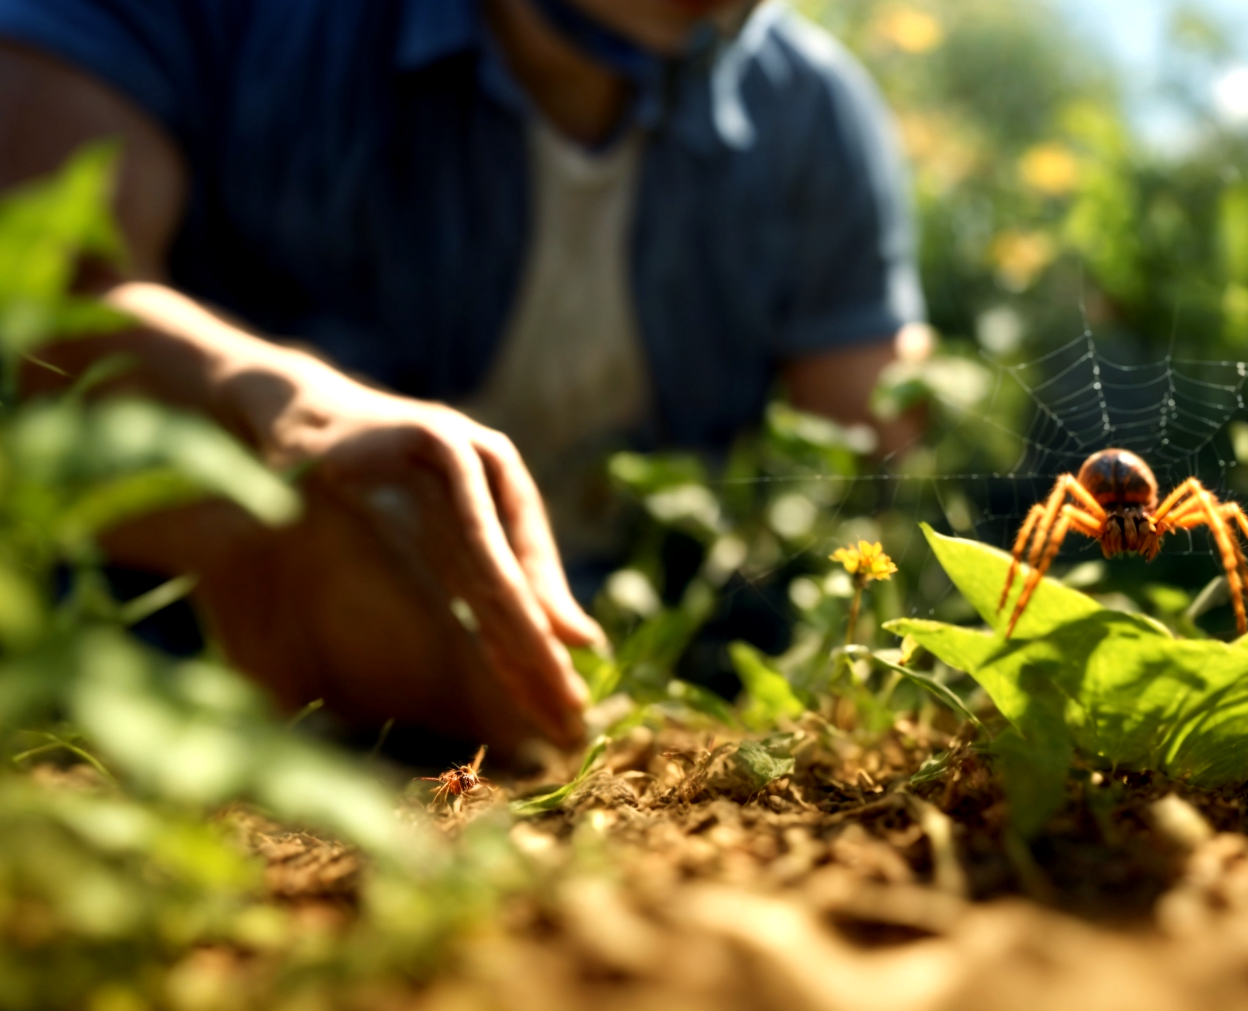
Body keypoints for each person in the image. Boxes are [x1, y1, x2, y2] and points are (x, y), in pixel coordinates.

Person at [0, 0, 926, 752]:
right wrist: (267, 403)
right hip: (181, 680)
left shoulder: (814, 115)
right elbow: (41, 295)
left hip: (625, 686)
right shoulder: (217, 27)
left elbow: (867, 456)